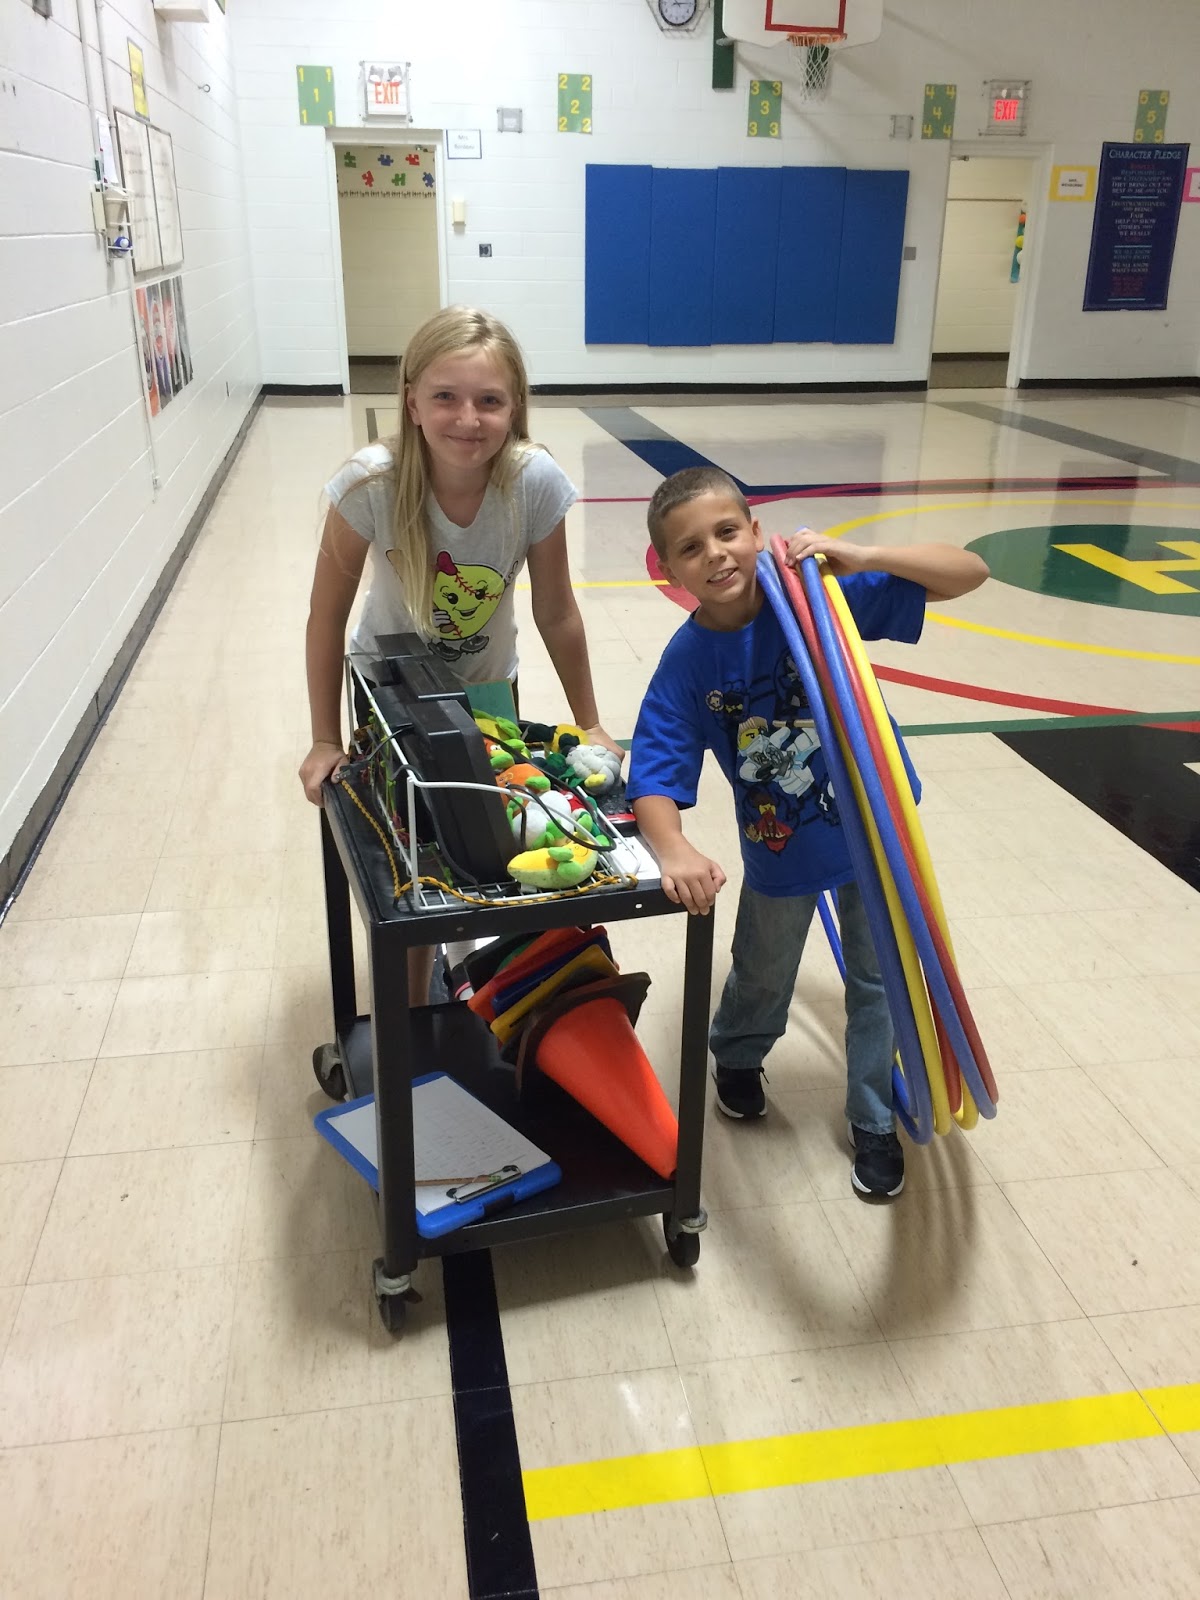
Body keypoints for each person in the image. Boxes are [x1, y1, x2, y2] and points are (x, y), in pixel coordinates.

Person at [626, 466, 988, 1199]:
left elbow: (970, 573)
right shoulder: (688, 663)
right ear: (668, 570)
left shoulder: (817, 599)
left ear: (757, 532)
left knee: (882, 979)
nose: (716, 554)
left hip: (878, 830)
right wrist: (674, 847)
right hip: (781, 846)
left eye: (728, 532)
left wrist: (865, 556)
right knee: (764, 969)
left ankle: (873, 1117)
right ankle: (737, 1052)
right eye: (691, 548)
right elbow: (654, 772)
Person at [299, 305, 623, 999]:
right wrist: (325, 738)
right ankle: (417, 1012)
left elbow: (557, 611)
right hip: (392, 697)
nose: (467, 419)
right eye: (445, 396)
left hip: (486, 692)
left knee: (490, 844)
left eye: (489, 401)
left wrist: (590, 721)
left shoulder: (534, 481)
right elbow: (325, 619)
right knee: (418, 860)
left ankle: (472, 977)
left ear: (516, 408)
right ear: (412, 401)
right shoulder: (369, 483)